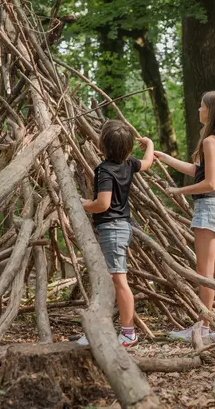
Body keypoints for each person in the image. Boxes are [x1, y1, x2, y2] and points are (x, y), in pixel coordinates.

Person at [154, 91, 215, 343]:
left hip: (210, 206)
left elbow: (209, 182)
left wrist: (178, 191)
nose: (198, 110)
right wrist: (165, 157)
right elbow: (199, 170)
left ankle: (202, 328)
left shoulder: (209, 142)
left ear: (211, 111)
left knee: (204, 272)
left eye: (201, 106)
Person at [78, 119, 154, 348]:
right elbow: (148, 162)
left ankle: (128, 333)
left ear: (102, 145)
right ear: (129, 148)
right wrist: (149, 143)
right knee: (112, 280)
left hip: (111, 229)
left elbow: (102, 204)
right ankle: (103, 330)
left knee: (119, 281)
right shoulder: (129, 163)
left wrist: (82, 204)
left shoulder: (104, 170)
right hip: (122, 227)